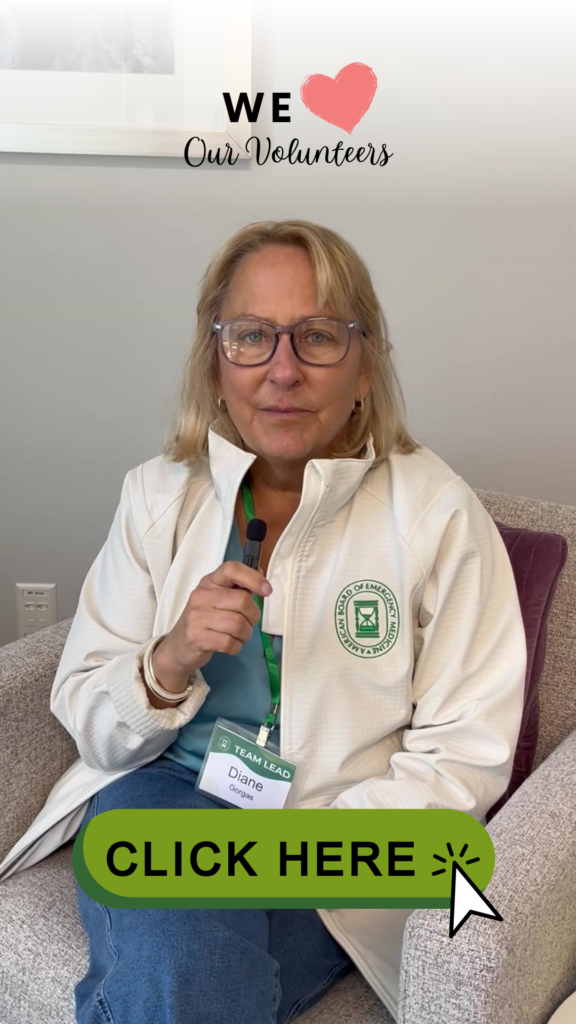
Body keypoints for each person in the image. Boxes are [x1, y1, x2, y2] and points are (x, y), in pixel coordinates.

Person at [4, 220, 527, 1024]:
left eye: (317, 336)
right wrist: (168, 660)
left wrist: (295, 854)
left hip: (334, 839)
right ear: (215, 365)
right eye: (251, 336)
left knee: (189, 970)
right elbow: (92, 725)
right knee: (187, 952)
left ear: (365, 365)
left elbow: (465, 755)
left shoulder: (437, 515)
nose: (283, 370)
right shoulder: (157, 496)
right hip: (165, 795)